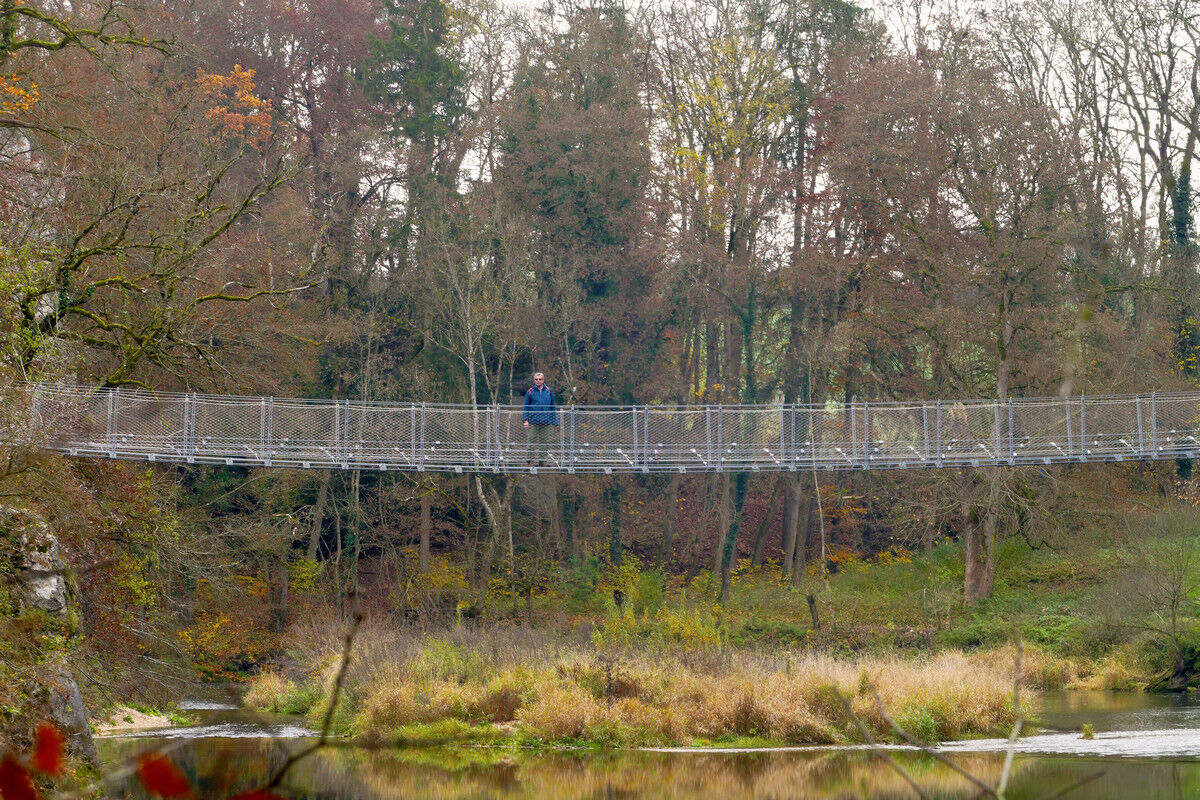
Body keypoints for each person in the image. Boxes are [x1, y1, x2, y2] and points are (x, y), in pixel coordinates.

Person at [523, 372, 559, 465]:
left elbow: (553, 406)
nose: (538, 381)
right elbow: (525, 407)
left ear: (543, 380)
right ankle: (529, 460)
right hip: (533, 421)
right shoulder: (530, 392)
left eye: (540, 379)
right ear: (534, 380)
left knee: (545, 441)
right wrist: (525, 420)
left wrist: (555, 421)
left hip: (546, 421)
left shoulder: (548, 391)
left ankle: (543, 461)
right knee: (531, 440)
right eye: (536, 379)